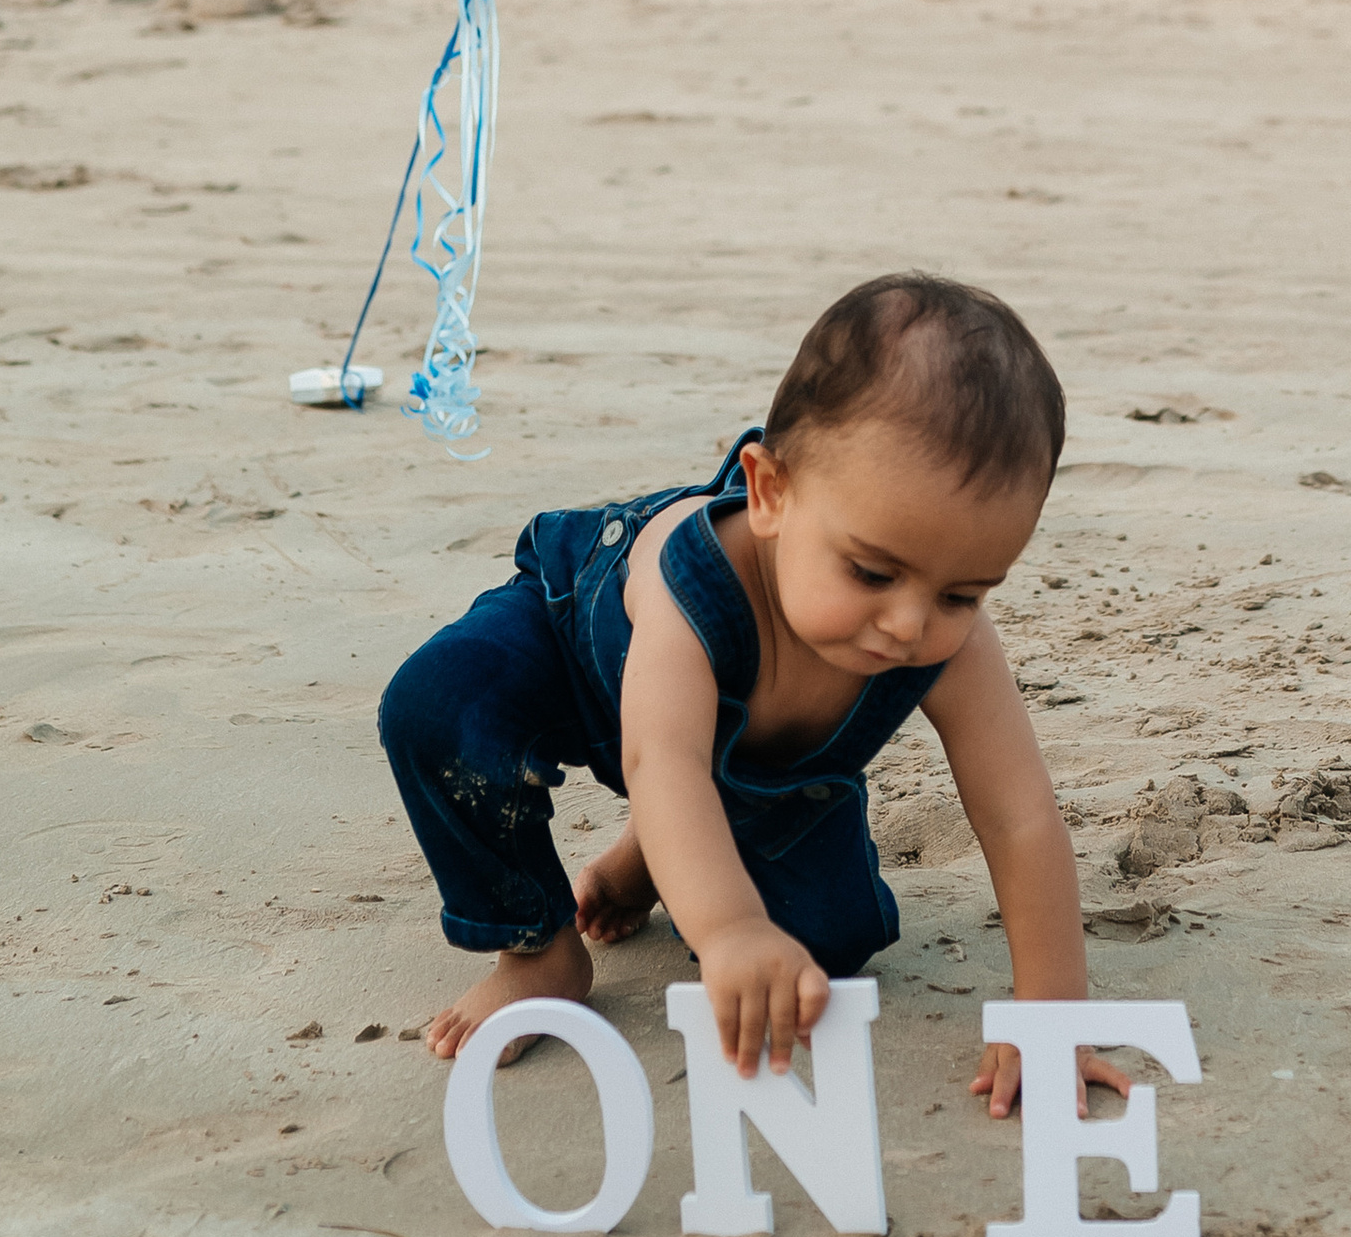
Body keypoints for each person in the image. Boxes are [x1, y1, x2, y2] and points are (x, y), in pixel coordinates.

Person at [377, 271, 1130, 1117]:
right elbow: (663, 760)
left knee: (822, 951)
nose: (909, 624)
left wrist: (1052, 1017)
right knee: (440, 705)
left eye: (963, 593)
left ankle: (649, 859)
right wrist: (729, 928)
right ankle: (536, 948)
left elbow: (1020, 815)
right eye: (871, 572)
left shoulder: (948, 640)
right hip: (583, 666)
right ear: (770, 493)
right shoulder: (690, 584)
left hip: (759, 771)